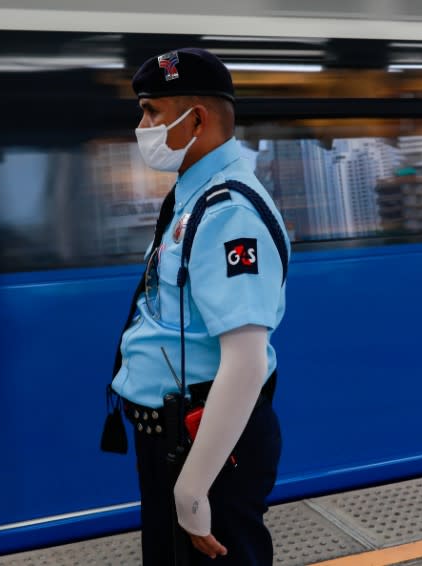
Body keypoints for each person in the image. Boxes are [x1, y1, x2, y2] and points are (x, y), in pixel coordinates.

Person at [109, 48, 290, 565]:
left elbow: (247, 361)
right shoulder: (195, 196)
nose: (141, 125)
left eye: (151, 112)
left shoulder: (229, 212)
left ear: (197, 120)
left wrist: (192, 490)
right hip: (181, 440)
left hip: (206, 446)